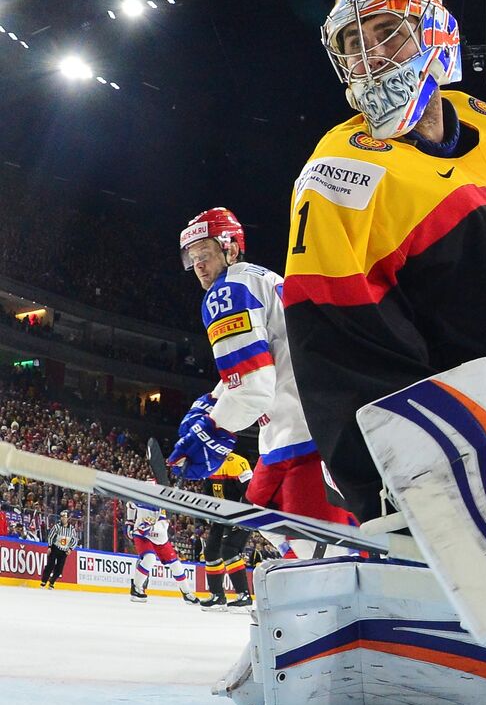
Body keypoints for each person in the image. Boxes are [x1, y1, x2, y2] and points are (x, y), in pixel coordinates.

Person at [283, 0, 486, 530]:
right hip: (443, 465)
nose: (370, 55)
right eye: (353, 43)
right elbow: (334, 341)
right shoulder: (340, 174)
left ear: (434, 31)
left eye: (386, 30)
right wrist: (395, 477)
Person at [170, 207, 355, 558]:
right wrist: (212, 401)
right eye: (192, 258)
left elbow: (253, 388)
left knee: (329, 558)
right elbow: (262, 361)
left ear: (230, 248)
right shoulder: (261, 279)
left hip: (302, 437)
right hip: (302, 425)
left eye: (205, 253)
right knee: (260, 512)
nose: (199, 266)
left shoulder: (227, 290)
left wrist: (213, 430)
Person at [200, 451, 256, 609]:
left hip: (242, 514)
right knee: (211, 552)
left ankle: (244, 596)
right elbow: (207, 492)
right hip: (221, 515)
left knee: (229, 550)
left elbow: (250, 492)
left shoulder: (238, 462)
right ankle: (217, 596)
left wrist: (242, 516)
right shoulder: (209, 462)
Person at [126, 500, 198, 604]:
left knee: (176, 565)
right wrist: (130, 522)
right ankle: (136, 589)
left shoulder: (163, 501)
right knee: (150, 558)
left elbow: (164, 524)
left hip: (160, 538)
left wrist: (150, 528)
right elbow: (130, 505)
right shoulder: (141, 497)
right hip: (142, 536)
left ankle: (187, 593)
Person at [40, 510, 77, 588]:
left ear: (68, 518)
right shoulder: (57, 527)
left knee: (59, 569)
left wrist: (70, 549)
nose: (63, 518)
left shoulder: (72, 529)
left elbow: (74, 540)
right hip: (55, 548)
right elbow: (50, 536)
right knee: (50, 565)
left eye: (64, 517)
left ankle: (52, 582)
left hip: (64, 551)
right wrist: (50, 547)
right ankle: (44, 581)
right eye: (62, 517)